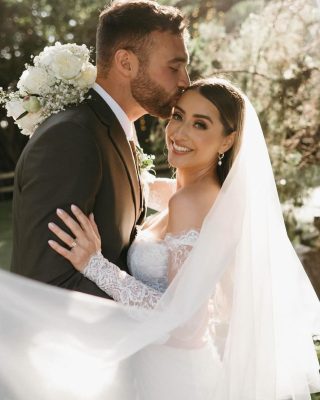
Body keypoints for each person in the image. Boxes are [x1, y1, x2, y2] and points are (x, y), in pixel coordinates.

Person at [42, 77, 320, 399]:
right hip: (168, 368)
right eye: (178, 116)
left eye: (200, 125)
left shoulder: (189, 202)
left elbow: (184, 325)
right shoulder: (198, 195)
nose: (179, 132)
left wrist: (94, 265)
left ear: (227, 141)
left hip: (175, 379)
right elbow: (154, 189)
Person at [10, 0, 189, 298]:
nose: (185, 81)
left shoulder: (117, 129)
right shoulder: (71, 137)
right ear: (125, 63)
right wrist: (157, 317)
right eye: (174, 67)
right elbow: (47, 285)